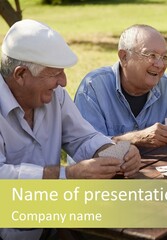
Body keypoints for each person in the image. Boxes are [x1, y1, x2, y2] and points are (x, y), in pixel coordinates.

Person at [0, 19, 140, 240]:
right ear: (20, 75)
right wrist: (68, 174)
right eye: (55, 73)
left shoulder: (55, 96)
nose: (64, 82)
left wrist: (112, 151)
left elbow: (83, 137)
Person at [73, 24, 167, 155]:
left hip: (158, 177)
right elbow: (85, 148)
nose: (160, 64)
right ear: (124, 57)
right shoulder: (93, 88)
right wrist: (135, 138)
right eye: (151, 55)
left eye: (164, 57)